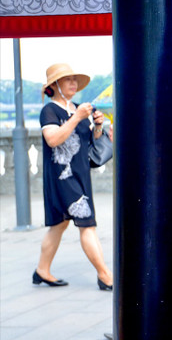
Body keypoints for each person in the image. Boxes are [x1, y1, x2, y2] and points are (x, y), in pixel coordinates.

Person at [34, 63, 113, 291]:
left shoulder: (78, 108)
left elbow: (88, 143)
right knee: (87, 224)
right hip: (62, 176)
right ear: (55, 85)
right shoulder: (49, 111)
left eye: (74, 79)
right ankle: (105, 275)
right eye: (67, 79)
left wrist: (97, 126)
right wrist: (77, 117)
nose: (73, 83)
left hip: (80, 174)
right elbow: (53, 140)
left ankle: (42, 270)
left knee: (59, 224)